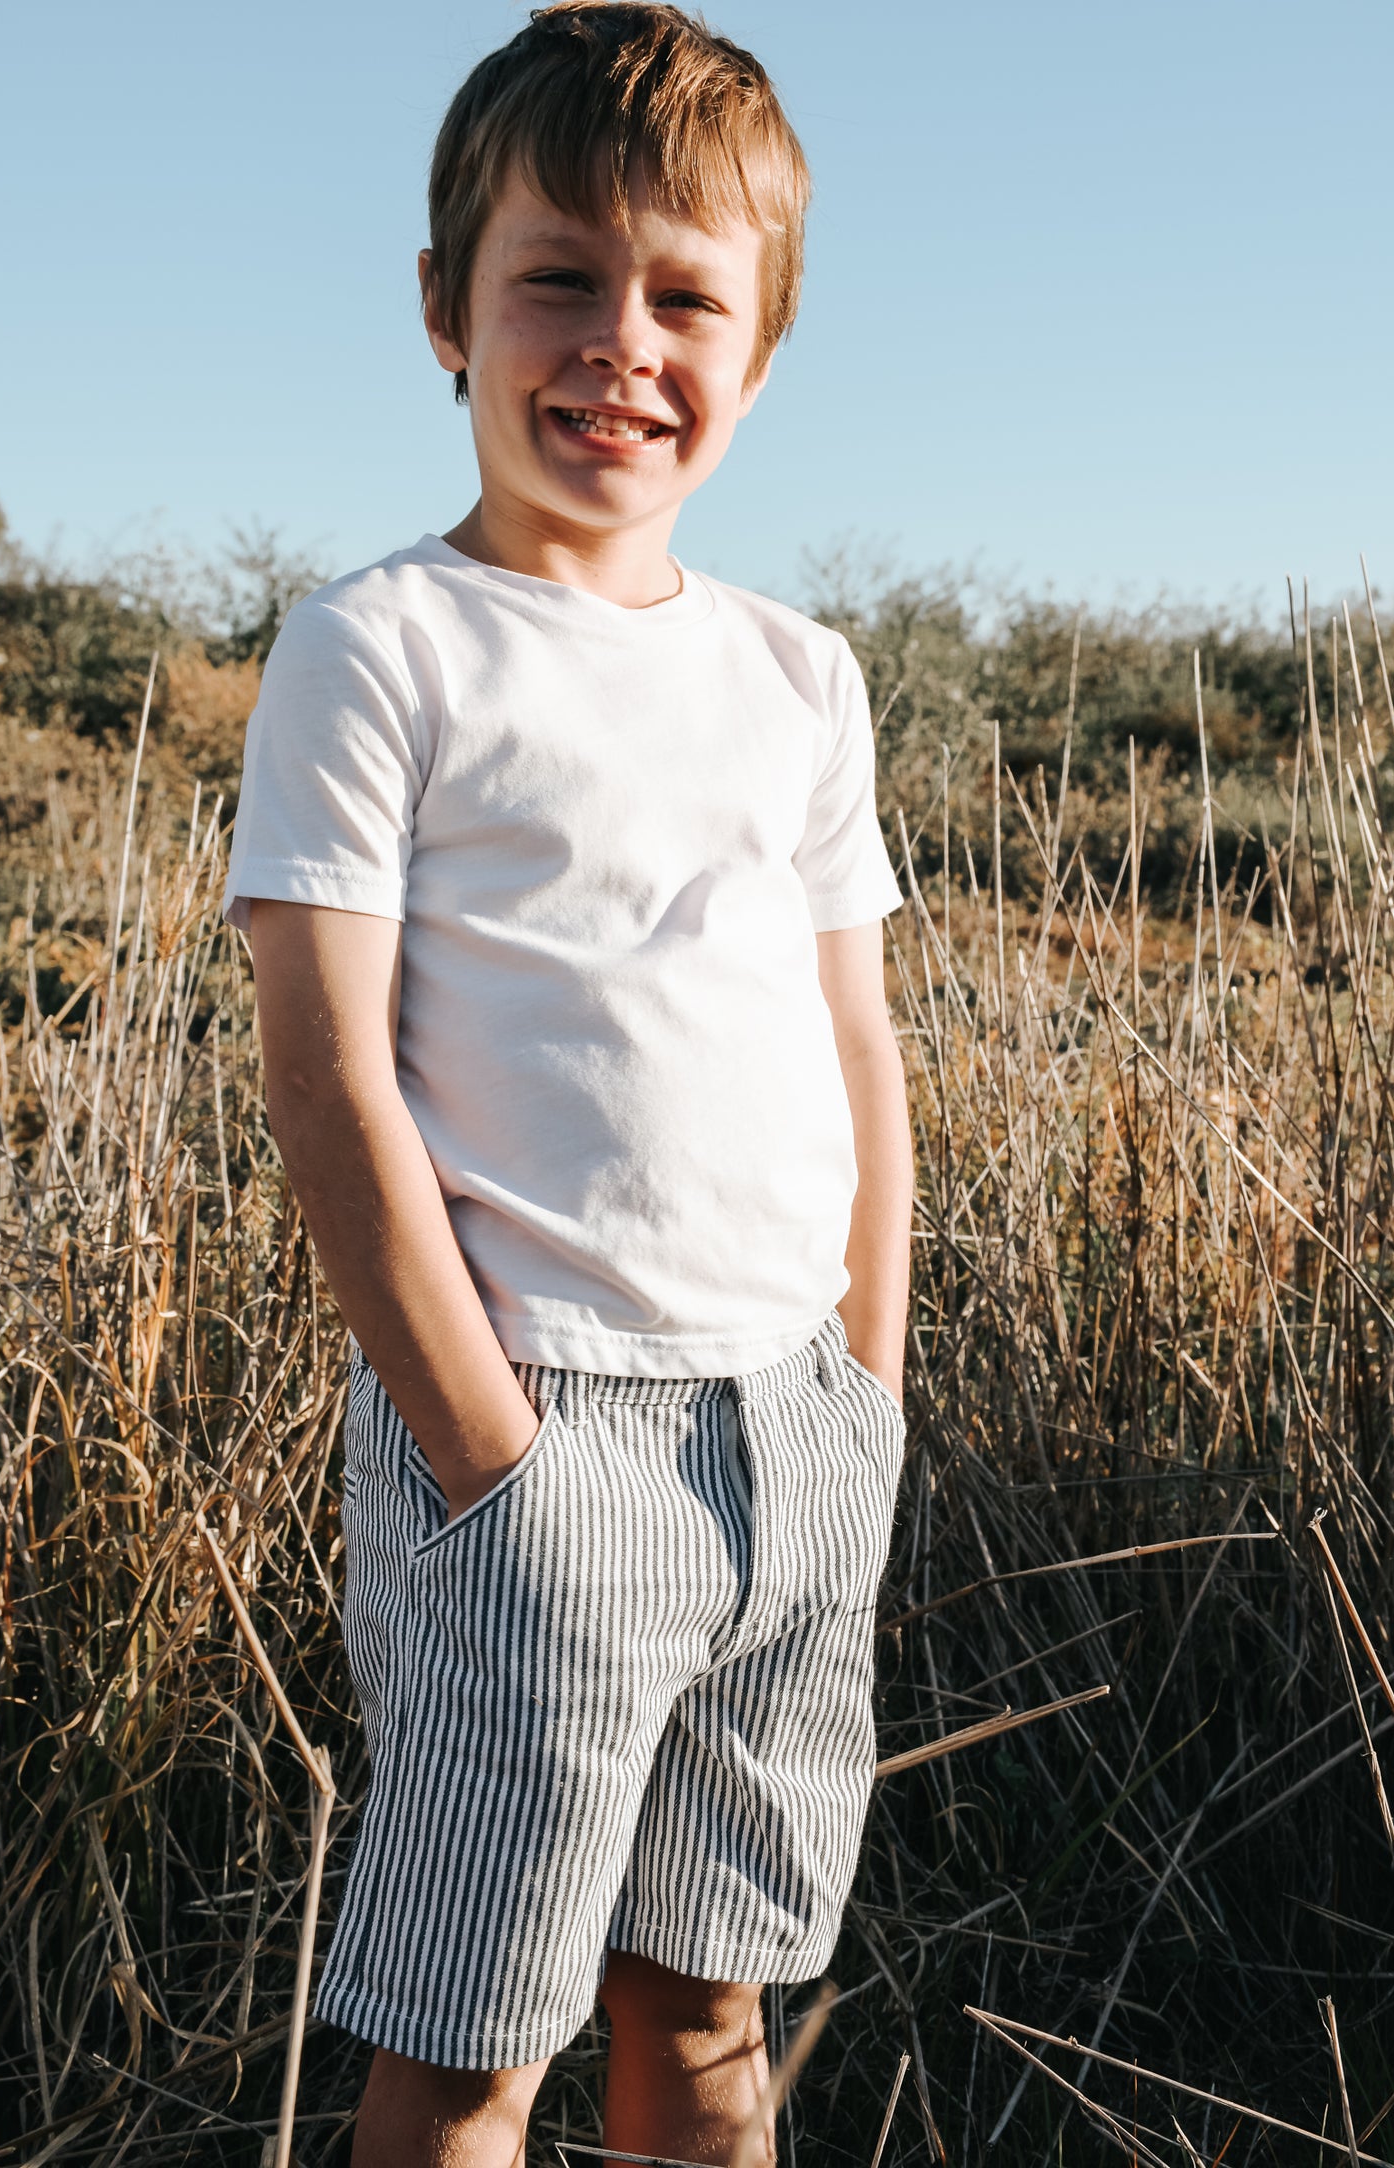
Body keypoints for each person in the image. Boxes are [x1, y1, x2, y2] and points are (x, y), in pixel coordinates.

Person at [222, 5, 913, 2161]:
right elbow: (328, 1074)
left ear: (764, 351)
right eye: (561, 278)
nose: (623, 341)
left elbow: (857, 1050)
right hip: (536, 1445)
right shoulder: (382, 644)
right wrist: (488, 1457)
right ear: (447, 310)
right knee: (469, 2054)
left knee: (709, 2018)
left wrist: (863, 1399)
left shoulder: (803, 676)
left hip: (794, 1435)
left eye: (688, 293)